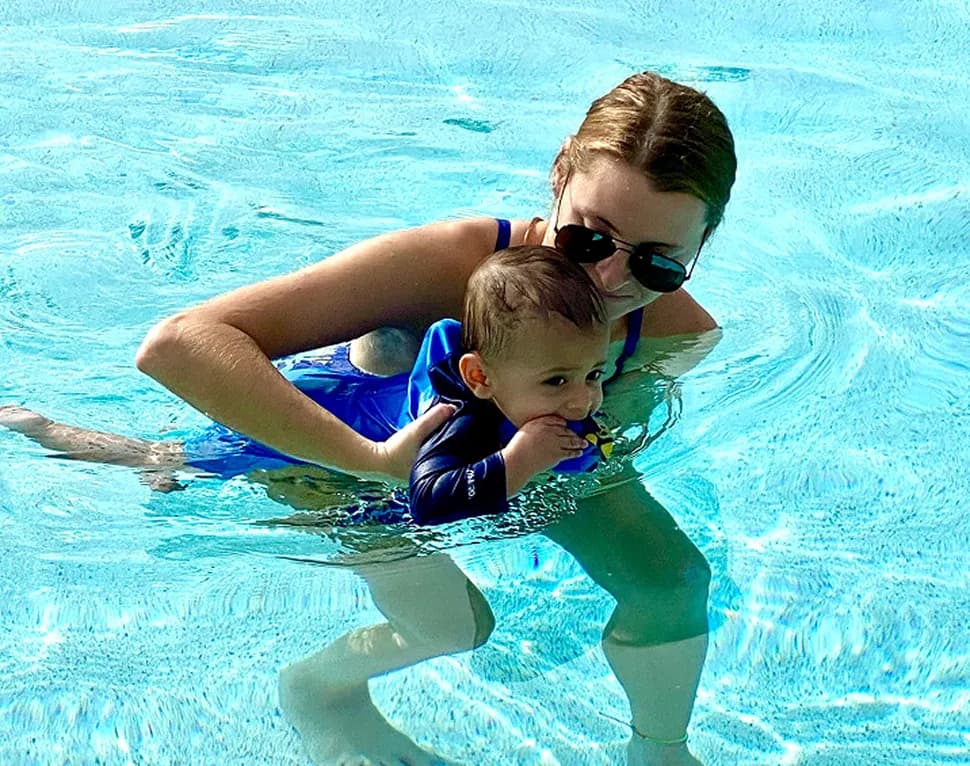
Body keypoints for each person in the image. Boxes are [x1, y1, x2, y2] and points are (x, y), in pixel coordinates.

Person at [11, 70, 737, 765]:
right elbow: (175, 347)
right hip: (349, 458)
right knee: (456, 627)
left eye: (659, 265)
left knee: (673, 583)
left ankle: (660, 751)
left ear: (700, 249)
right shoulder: (452, 266)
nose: (607, 280)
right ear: (557, 179)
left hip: (479, 457)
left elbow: (594, 453)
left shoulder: (676, 336)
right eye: (588, 239)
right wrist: (373, 461)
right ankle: (319, 689)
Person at [0, 245, 613, 522]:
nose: (583, 398)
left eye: (594, 373)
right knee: (175, 459)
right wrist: (520, 459)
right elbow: (430, 501)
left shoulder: (530, 389)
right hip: (312, 421)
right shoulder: (458, 424)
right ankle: (47, 430)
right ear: (479, 378)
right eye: (559, 380)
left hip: (354, 387)